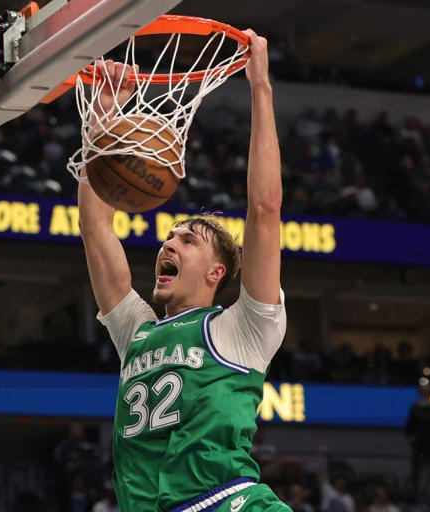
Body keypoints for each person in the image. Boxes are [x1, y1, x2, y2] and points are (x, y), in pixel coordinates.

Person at [78, 30, 289, 512]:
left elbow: (264, 209)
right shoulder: (137, 331)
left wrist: (260, 86)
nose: (169, 243)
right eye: (170, 236)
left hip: (228, 502)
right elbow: (95, 227)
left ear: (217, 272)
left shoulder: (244, 327)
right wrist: (106, 118)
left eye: (188, 240)